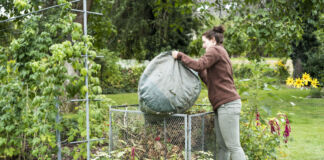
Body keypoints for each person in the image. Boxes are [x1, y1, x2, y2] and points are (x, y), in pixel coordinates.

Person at [172, 25, 246, 160]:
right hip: (223, 105)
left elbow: (199, 64)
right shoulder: (220, 51)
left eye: (204, 42)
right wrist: (199, 70)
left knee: (233, 146)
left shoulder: (215, 50)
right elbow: (209, 80)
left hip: (227, 105)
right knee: (222, 146)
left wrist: (180, 55)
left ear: (212, 40)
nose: (203, 46)